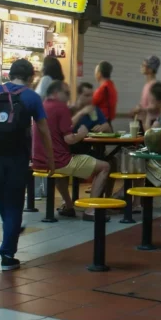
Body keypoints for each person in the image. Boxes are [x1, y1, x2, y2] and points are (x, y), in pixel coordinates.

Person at [0, 58, 52, 271]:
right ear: (31, 77)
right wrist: (49, 158)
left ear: (10, 74)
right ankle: (8, 253)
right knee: (14, 202)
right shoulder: (31, 97)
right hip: (17, 156)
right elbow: (43, 130)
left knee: (3, 197)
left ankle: (11, 228)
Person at [32, 81, 109, 218]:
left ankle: (68, 206)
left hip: (39, 160)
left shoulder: (43, 106)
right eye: (66, 93)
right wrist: (82, 133)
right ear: (56, 94)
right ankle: (91, 210)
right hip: (58, 161)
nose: (68, 97)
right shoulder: (61, 108)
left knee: (62, 171)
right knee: (105, 166)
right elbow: (69, 139)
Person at [34, 55, 65, 198]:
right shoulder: (60, 83)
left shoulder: (45, 80)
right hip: (55, 123)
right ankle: (47, 190)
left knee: (39, 156)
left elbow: (37, 98)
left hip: (41, 121)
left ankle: (37, 191)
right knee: (50, 155)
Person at [131, 55, 160, 131]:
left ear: (150, 69)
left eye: (143, 65)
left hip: (149, 124)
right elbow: (144, 103)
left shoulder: (155, 85)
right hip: (142, 122)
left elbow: (155, 107)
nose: (141, 67)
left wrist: (140, 108)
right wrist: (138, 107)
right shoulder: (147, 85)